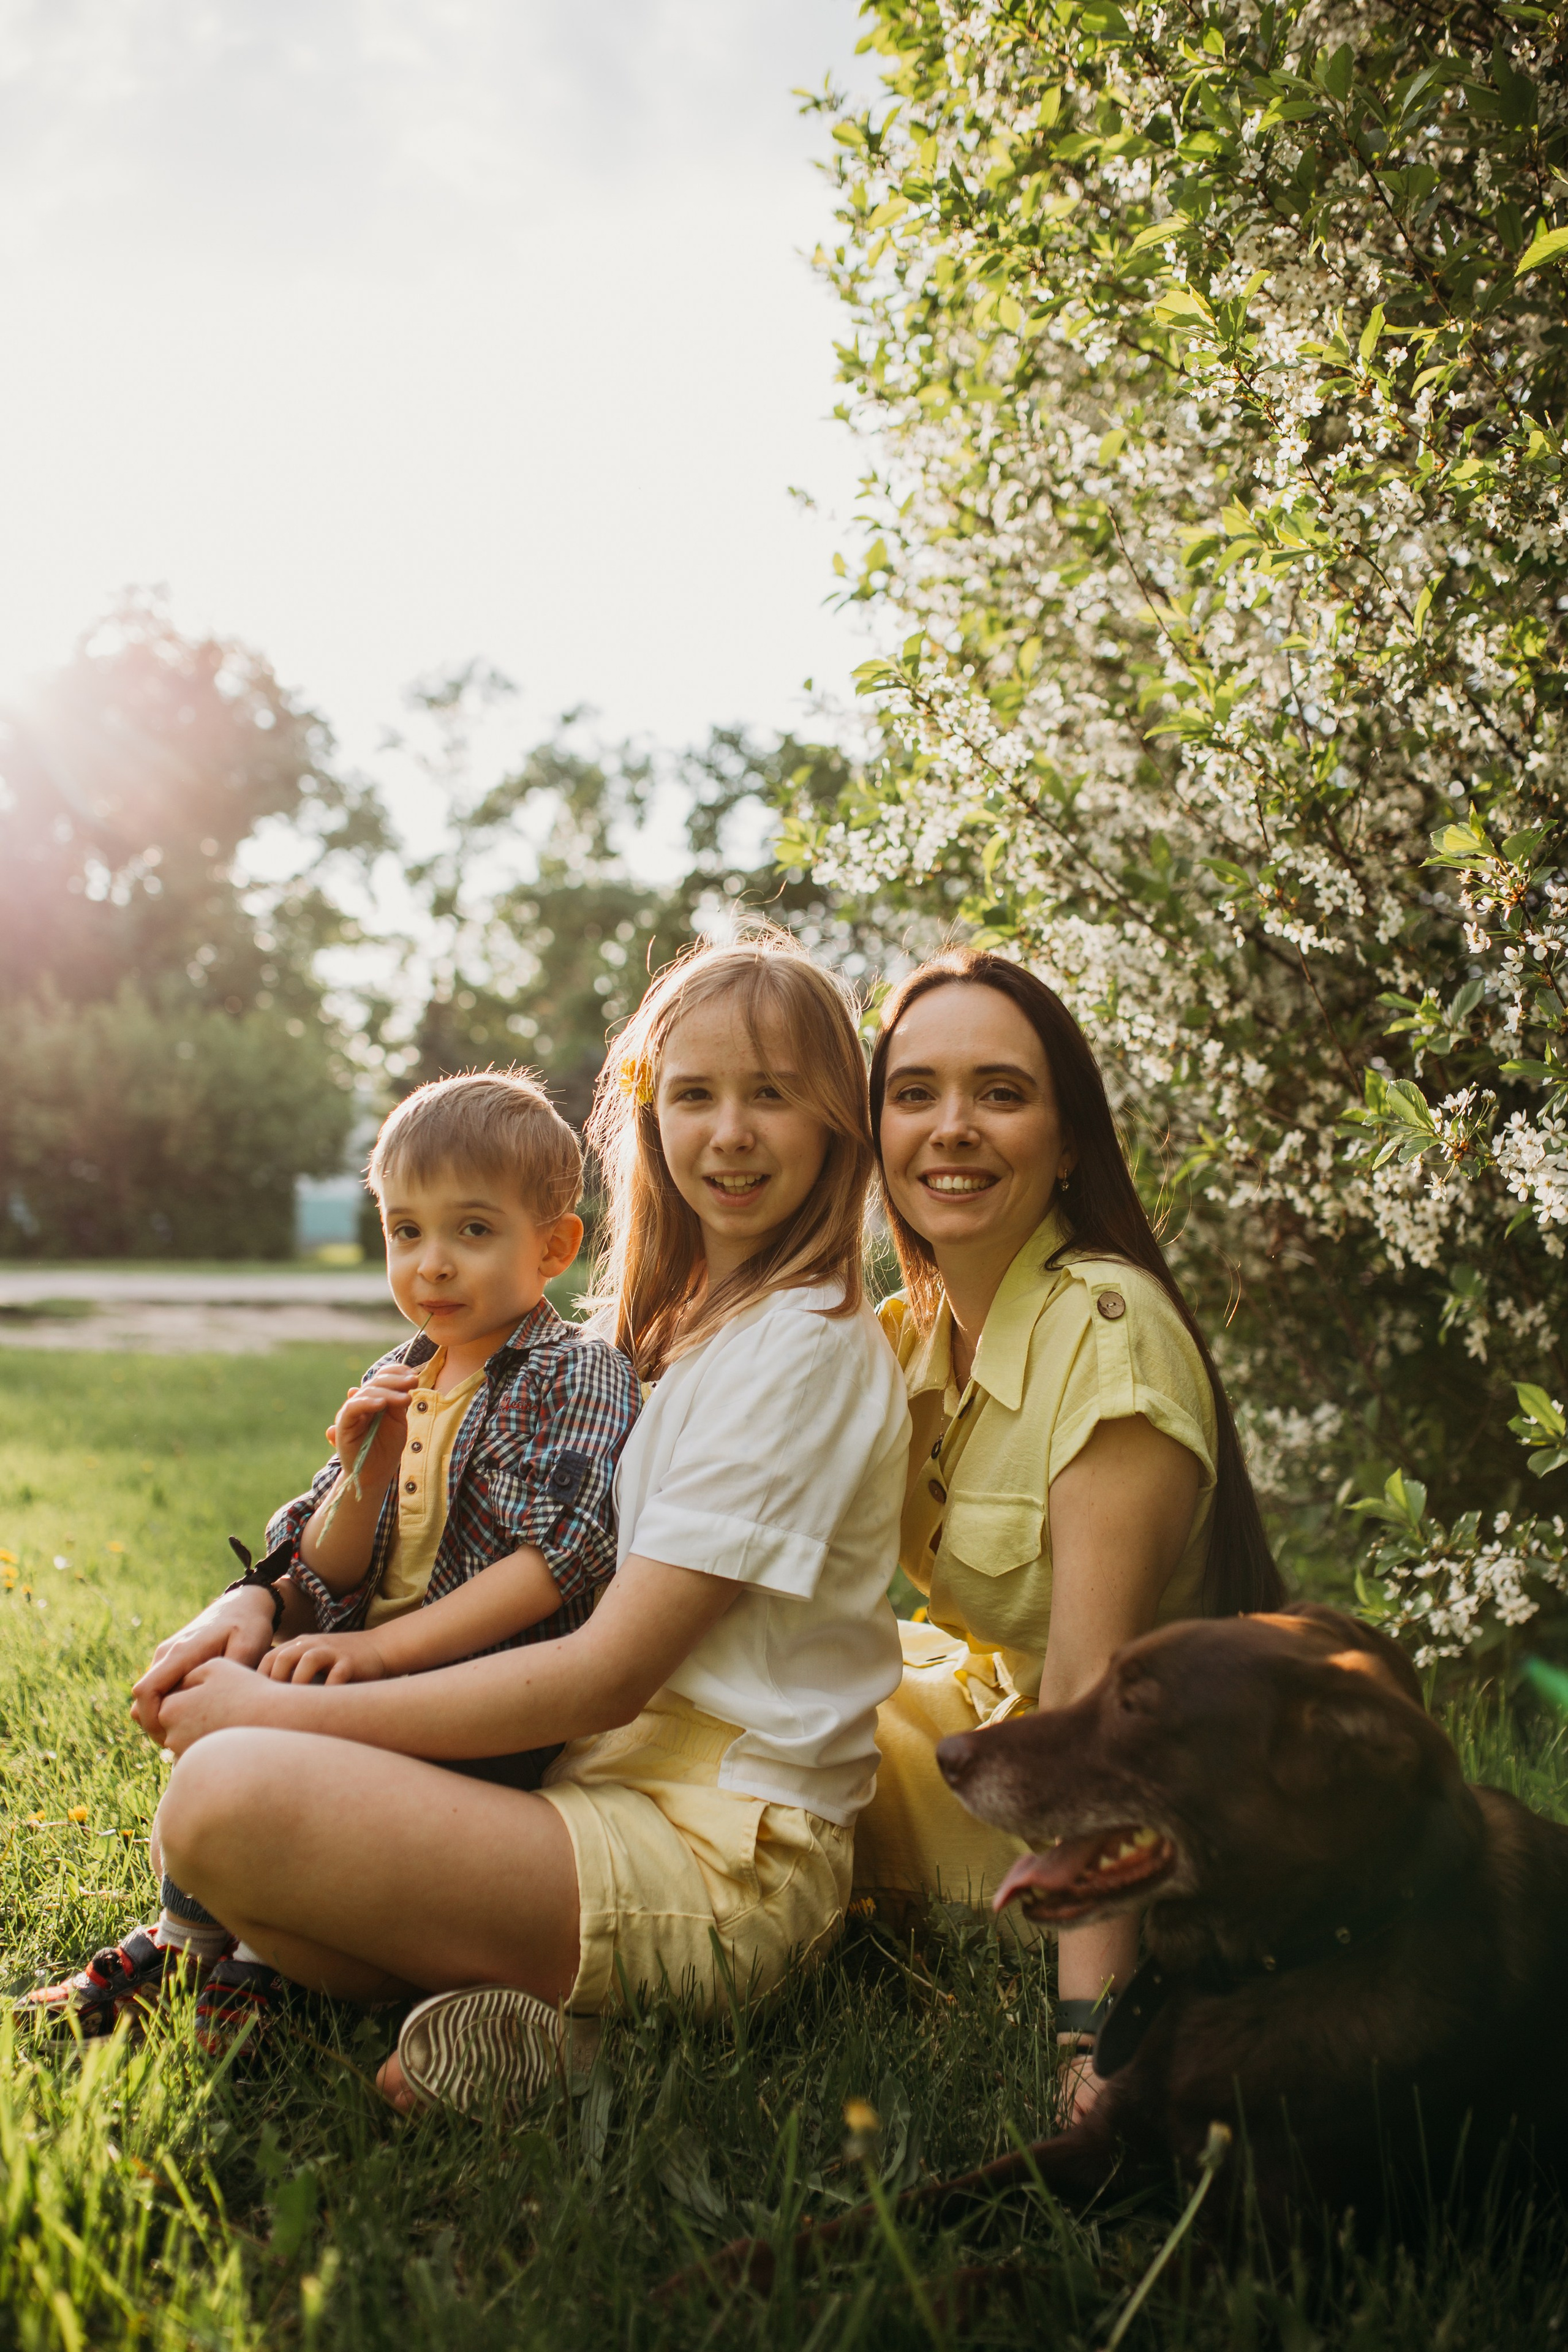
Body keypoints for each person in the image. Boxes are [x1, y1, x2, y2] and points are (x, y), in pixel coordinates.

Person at [130, 935, 911, 2115]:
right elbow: (379, 1524)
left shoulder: (798, 1345)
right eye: (693, 1094)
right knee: (250, 1835)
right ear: (648, 1119)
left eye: (773, 1095)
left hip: (720, 1862)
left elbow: (603, 1674)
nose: (729, 1132)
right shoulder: (694, 1320)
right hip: (590, 1796)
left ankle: (637, 2054)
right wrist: (257, 1601)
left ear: (839, 1123)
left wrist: (289, 1708)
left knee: (224, 1797)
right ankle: (548, 2027)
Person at [25, 1069, 638, 2042]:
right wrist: (367, 1469)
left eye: (471, 1232)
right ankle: (192, 1938)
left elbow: (553, 1565)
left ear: (554, 1247)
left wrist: (375, 1659)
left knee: (289, 1740)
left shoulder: (577, 1374)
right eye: (406, 1232)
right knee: (242, 1690)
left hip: (481, 1703)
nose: (430, 1265)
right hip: (365, 1663)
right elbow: (329, 1568)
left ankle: (255, 1965)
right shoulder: (398, 1372)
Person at [849, 948, 1283, 2111]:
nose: (953, 1128)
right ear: (876, 1133)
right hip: (995, 1727)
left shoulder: (1109, 1332)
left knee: (774, 1755)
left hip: (1121, 1816)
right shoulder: (909, 1338)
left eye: (1001, 1092)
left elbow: (1099, 1704)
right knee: (751, 1678)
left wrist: (1092, 2042)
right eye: (915, 1093)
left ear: (1070, 1140)